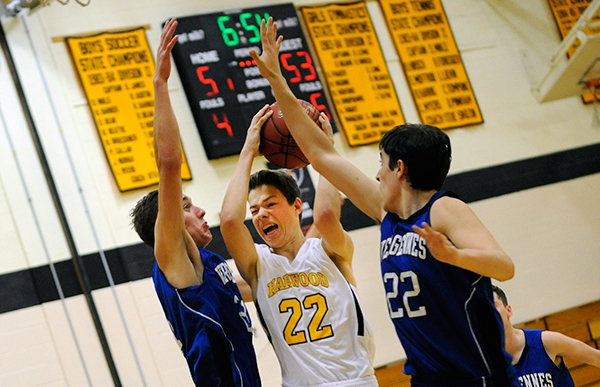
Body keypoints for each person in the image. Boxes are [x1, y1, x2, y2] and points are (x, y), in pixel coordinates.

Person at [250, 17, 519, 387]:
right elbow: (317, 154)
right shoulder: (387, 211)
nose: (377, 174)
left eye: (382, 164)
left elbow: (504, 267)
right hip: (426, 377)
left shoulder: (443, 209)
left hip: (475, 377)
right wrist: (277, 80)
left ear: (400, 168)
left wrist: (455, 256)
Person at [129, 18, 260, 387]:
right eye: (185, 207)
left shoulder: (210, 264)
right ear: (166, 226)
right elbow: (169, 163)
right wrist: (160, 84)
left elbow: (252, 290)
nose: (200, 210)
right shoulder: (174, 258)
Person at [219, 104, 377, 386]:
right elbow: (230, 221)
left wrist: (325, 149)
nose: (261, 214)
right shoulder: (258, 264)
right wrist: (247, 152)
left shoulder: (329, 251)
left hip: (353, 382)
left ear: (296, 207)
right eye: (254, 210)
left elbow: (327, 215)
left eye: (270, 204)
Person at [493, 285, 600, 387]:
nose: (489, 313)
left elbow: (596, 357)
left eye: (493, 305)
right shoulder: (484, 364)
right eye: (483, 311)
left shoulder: (545, 341)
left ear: (509, 310)